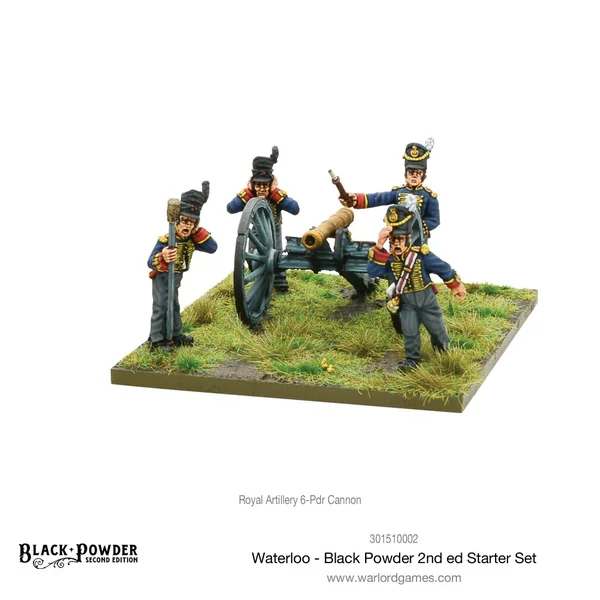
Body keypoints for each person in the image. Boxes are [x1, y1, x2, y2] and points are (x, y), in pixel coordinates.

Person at [367, 205, 466, 370]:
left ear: (408, 239)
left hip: (427, 301)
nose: (396, 243)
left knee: (437, 330)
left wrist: (455, 285)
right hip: (407, 303)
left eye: (400, 239)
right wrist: (379, 245)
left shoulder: (421, 255)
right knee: (410, 332)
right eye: (393, 240)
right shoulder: (388, 259)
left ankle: (444, 353)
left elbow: (442, 268)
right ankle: (412, 360)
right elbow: (373, 272)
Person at [148, 187, 217, 351]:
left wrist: (197, 231)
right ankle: (156, 340)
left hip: (177, 277)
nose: (187, 225)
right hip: (162, 277)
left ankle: (176, 334)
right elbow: (150, 261)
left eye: (192, 222)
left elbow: (212, 247)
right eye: (184, 221)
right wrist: (163, 255)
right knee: (160, 307)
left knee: (174, 306)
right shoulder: (166, 239)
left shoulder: (191, 238)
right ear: (177, 221)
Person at [227, 146, 299, 291]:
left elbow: (295, 209)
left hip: (275, 230)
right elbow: (231, 208)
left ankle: (279, 279)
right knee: (253, 256)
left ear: (271, 184)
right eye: (258, 185)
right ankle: (258, 273)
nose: (261, 188)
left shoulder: (276, 195)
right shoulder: (250, 194)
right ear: (252, 184)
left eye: (265, 185)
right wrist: (248, 192)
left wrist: (275, 193)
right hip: (256, 231)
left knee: (277, 254)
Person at [340, 141, 440, 239]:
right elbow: (378, 198)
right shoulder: (398, 192)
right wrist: (357, 199)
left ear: (423, 176)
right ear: (405, 175)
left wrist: (419, 227)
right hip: (396, 234)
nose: (414, 176)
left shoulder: (429, 196)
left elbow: (434, 219)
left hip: (418, 238)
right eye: (411, 172)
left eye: (418, 173)